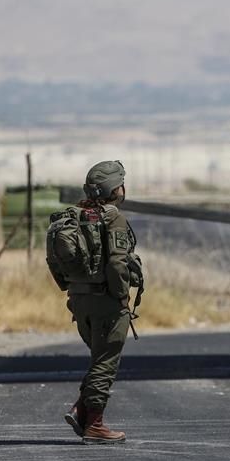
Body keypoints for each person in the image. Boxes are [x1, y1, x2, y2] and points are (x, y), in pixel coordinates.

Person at [56, 160, 138, 445]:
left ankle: (80, 410)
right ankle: (95, 425)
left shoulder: (72, 215)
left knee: (99, 358)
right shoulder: (113, 218)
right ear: (115, 188)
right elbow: (117, 264)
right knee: (106, 362)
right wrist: (119, 294)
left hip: (79, 299)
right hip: (106, 301)